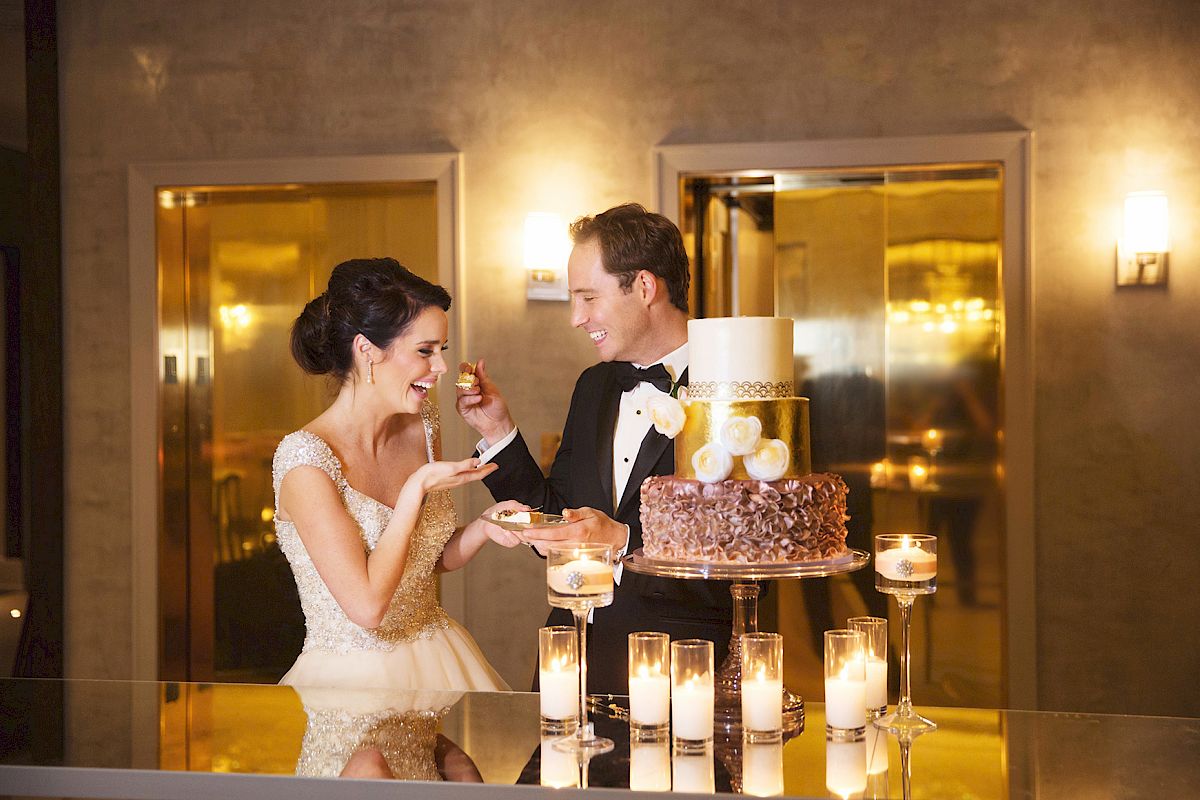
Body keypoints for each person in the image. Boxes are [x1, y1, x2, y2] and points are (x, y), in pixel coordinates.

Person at [456, 204, 731, 694]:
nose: (576, 318)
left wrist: (624, 544)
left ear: (645, 287)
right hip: (572, 667)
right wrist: (498, 432)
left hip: (682, 675)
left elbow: (746, 557)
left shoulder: (734, 387)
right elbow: (560, 517)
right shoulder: (594, 386)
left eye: (588, 297)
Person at [273, 257, 523, 691]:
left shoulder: (422, 426)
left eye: (441, 350)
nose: (442, 367)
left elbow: (424, 559)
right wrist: (415, 489)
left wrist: (485, 525)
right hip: (351, 682)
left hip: (437, 658)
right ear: (367, 350)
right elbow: (369, 607)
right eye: (425, 351)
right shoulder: (305, 462)